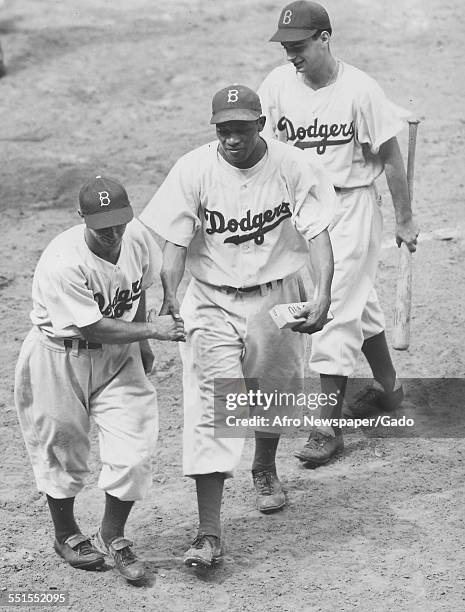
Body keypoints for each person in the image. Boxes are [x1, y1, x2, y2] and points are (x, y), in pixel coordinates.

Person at [140, 84, 336, 568]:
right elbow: (175, 243)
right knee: (212, 409)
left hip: (276, 294)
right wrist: (168, 293)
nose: (232, 139)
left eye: (241, 129)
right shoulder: (194, 168)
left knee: (271, 391)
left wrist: (324, 293)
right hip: (210, 300)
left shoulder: (292, 165)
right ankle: (209, 533)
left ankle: (265, 467)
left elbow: (318, 234)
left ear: (260, 125)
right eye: (224, 130)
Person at [258, 0, 420, 466]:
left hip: (350, 208)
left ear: (325, 38)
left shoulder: (360, 89)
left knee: (330, 309)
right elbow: (266, 145)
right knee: (357, 302)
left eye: (299, 45)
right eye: (286, 47)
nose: (291, 55)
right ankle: (389, 389)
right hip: (303, 212)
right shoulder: (276, 84)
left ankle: (326, 427)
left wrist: (405, 219)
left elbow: (390, 158)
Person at [14, 175, 185, 583]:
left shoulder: (137, 237)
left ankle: (113, 533)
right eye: (102, 224)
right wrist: (153, 334)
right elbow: (92, 328)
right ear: (82, 218)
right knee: (62, 445)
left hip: (119, 354)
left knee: (134, 448)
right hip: (60, 356)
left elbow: (138, 287)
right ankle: (66, 534)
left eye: (119, 222)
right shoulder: (63, 262)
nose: (112, 232)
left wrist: (141, 343)